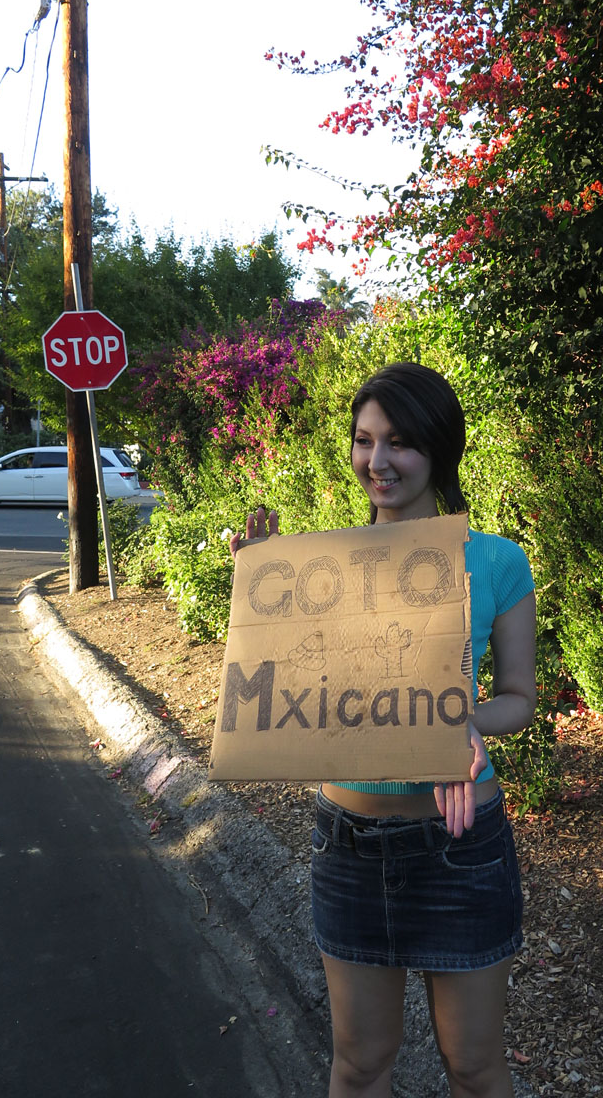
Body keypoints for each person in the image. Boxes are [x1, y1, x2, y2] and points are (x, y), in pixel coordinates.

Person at [230, 362, 536, 1098]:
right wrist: (260, 605)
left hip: (460, 849)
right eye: (365, 441)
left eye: (398, 441)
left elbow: (519, 700)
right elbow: (295, 695)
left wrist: (459, 720)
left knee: (475, 1068)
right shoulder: (317, 568)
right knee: (360, 1066)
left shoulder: (497, 560)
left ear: (438, 448)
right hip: (348, 847)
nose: (378, 461)